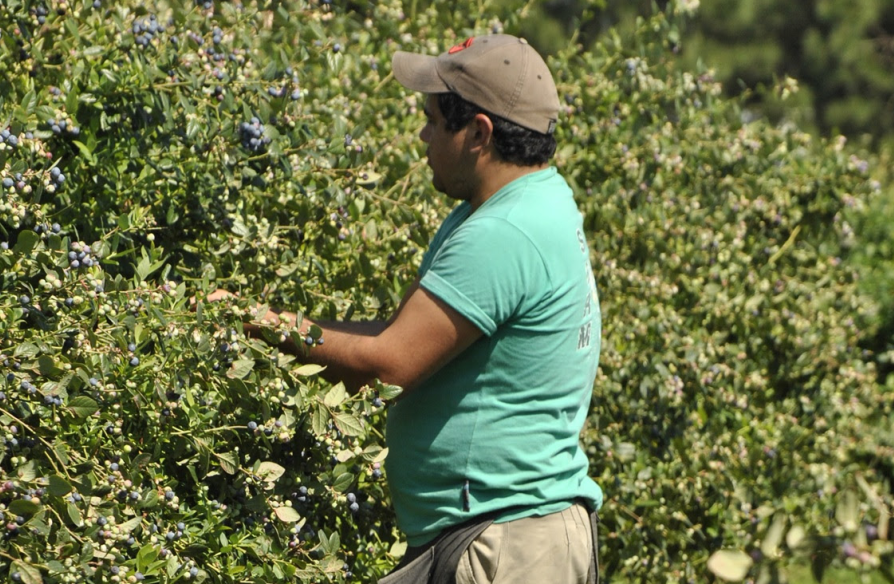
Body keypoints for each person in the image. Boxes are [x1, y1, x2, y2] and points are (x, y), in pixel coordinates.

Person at [211, 34, 602, 584]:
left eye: (434, 121)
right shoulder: (523, 203)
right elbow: (404, 335)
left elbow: (391, 365)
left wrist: (262, 325)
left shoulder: (505, 232)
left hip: (508, 543)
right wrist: (281, 327)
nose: (422, 135)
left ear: (479, 133)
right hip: (498, 532)